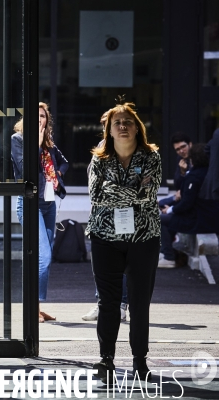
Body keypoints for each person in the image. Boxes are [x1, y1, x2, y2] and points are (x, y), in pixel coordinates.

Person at [85, 100, 161, 383]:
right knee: (109, 302)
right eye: (116, 123)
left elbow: (148, 195)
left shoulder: (151, 157)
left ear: (137, 127)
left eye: (127, 122)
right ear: (109, 130)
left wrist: (115, 190)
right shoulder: (99, 159)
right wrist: (132, 191)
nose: (122, 126)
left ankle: (140, 362)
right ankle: (106, 361)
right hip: (105, 238)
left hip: (144, 238)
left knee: (140, 304)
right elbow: (97, 195)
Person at [11, 102, 69, 323]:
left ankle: (35, 307)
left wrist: (57, 174)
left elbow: (65, 163)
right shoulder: (18, 140)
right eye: (34, 117)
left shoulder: (49, 143)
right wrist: (36, 143)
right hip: (29, 204)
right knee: (42, 257)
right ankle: (31, 307)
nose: (39, 120)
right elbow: (25, 167)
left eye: (42, 116)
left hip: (48, 204)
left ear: (47, 120)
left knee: (39, 257)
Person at [82, 110, 128, 322]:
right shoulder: (101, 147)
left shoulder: (129, 147)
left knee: (123, 260)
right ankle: (103, 303)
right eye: (108, 125)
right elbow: (95, 182)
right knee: (102, 262)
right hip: (101, 211)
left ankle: (122, 304)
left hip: (123, 211)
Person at [159, 143, 219, 267]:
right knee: (169, 218)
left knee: (160, 220)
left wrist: (170, 210)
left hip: (199, 220)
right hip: (210, 217)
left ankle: (168, 257)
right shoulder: (211, 173)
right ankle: (168, 251)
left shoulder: (194, 176)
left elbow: (186, 203)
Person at [157, 133, 193, 213]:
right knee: (161, 204)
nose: (181, 151)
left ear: (190, 144)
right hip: (182, 195)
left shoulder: (198, 157)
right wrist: (182, 172)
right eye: (177, 149)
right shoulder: (181, 158)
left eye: (183, 147)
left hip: (192, 197)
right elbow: (177, 185)